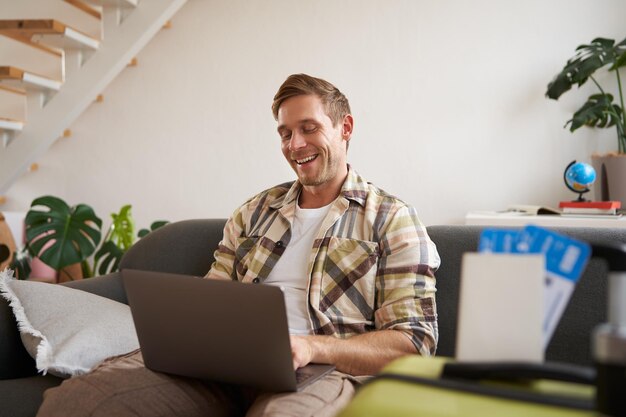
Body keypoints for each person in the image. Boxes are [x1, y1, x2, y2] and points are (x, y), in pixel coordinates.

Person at [37, 74, 440, 417]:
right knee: (75, 402)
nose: (295, 144)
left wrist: (307, 346)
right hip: (221, 365)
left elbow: (412, 342)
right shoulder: (253, 212)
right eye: (285, 133)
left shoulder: (392, 218)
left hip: (320, 370)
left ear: (345, 128)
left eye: (309, 128)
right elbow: (212, 297)